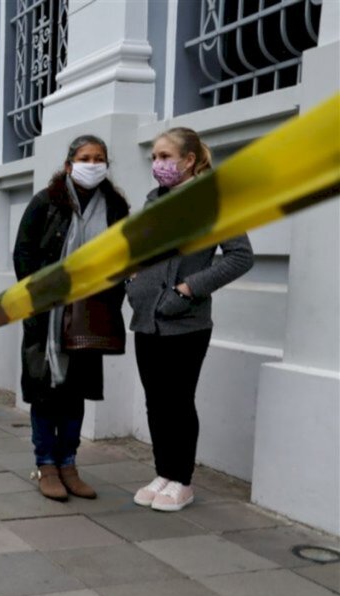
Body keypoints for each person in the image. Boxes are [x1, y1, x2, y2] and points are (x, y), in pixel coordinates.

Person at [128, 127, 253, 512]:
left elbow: (239, 257)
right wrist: (133, 279)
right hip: (146, 319)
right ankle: (163, 472)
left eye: (165, 157)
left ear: (190, 160)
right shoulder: (153, 203)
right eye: (154, 158)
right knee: (155, 401)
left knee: (178, 401)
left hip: (185, 321)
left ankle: (182, 480)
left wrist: (187, 290)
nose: (158, 164)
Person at [13, 136, 130, 501]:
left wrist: (104, 297)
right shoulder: (46, 202)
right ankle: (46, 465)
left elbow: (122, 258)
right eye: (85, 158)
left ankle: (69, 465)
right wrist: (43, 296)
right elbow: (24, 254)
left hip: (88, 315)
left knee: (75, 394)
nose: (92, 164)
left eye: (99, 158)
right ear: (68, 164)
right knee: (45, 393)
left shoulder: (114, 205)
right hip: (47, 315)